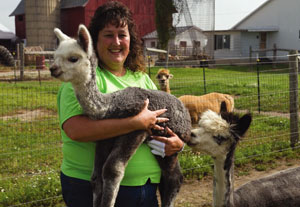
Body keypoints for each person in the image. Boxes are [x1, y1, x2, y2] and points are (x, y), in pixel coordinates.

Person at [57, 1, 185, 207]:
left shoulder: (141, 78)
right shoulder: (83, 78)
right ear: (93, 41)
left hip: (147, 188)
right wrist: (136, 123)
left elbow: (161, 120)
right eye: (108, 35)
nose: (116, 42)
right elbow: (76, 130)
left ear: (130, 40)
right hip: (92, 190)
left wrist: (177, 144)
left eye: (122, 35)